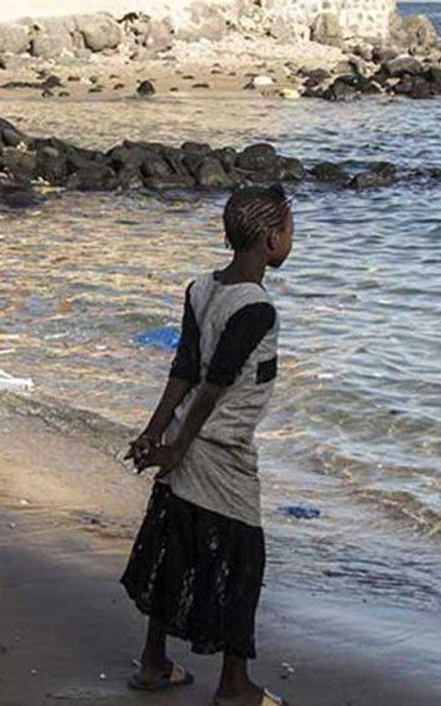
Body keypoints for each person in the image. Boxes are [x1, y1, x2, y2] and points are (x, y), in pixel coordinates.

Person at [121, 185, 295, 706]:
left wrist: (157, 433)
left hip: (184, 437)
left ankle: (154, 662)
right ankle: (235, 686)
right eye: (288, 231)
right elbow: (214, 384)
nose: (290, 239)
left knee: (176, 545)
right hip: (220, 449)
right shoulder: (257, 307)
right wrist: (174, 448)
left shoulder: (201, 287)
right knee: (244, 559)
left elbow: (184, 370)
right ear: (269, 239)